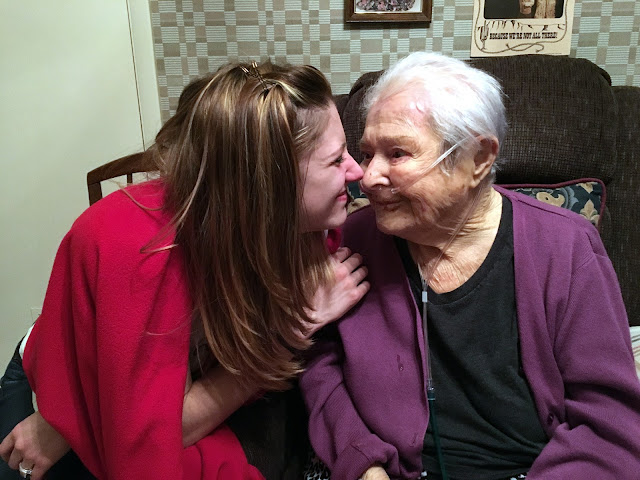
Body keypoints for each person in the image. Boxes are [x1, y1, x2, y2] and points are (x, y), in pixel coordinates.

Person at [0, 61, 369, 480]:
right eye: (336, 159)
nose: (358, 172)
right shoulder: (139, 249)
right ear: (269, 185)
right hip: (56, 394)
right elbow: (157, 436)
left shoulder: (308, 230)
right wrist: (294, 325)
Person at [299, 52, 640, 480]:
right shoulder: (353, 241)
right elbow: (319, 366)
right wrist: (363, 462)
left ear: (478, 159)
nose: (366, 178)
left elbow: (610, 424)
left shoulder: (566, 247)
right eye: (367, 154)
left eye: (398, 153)